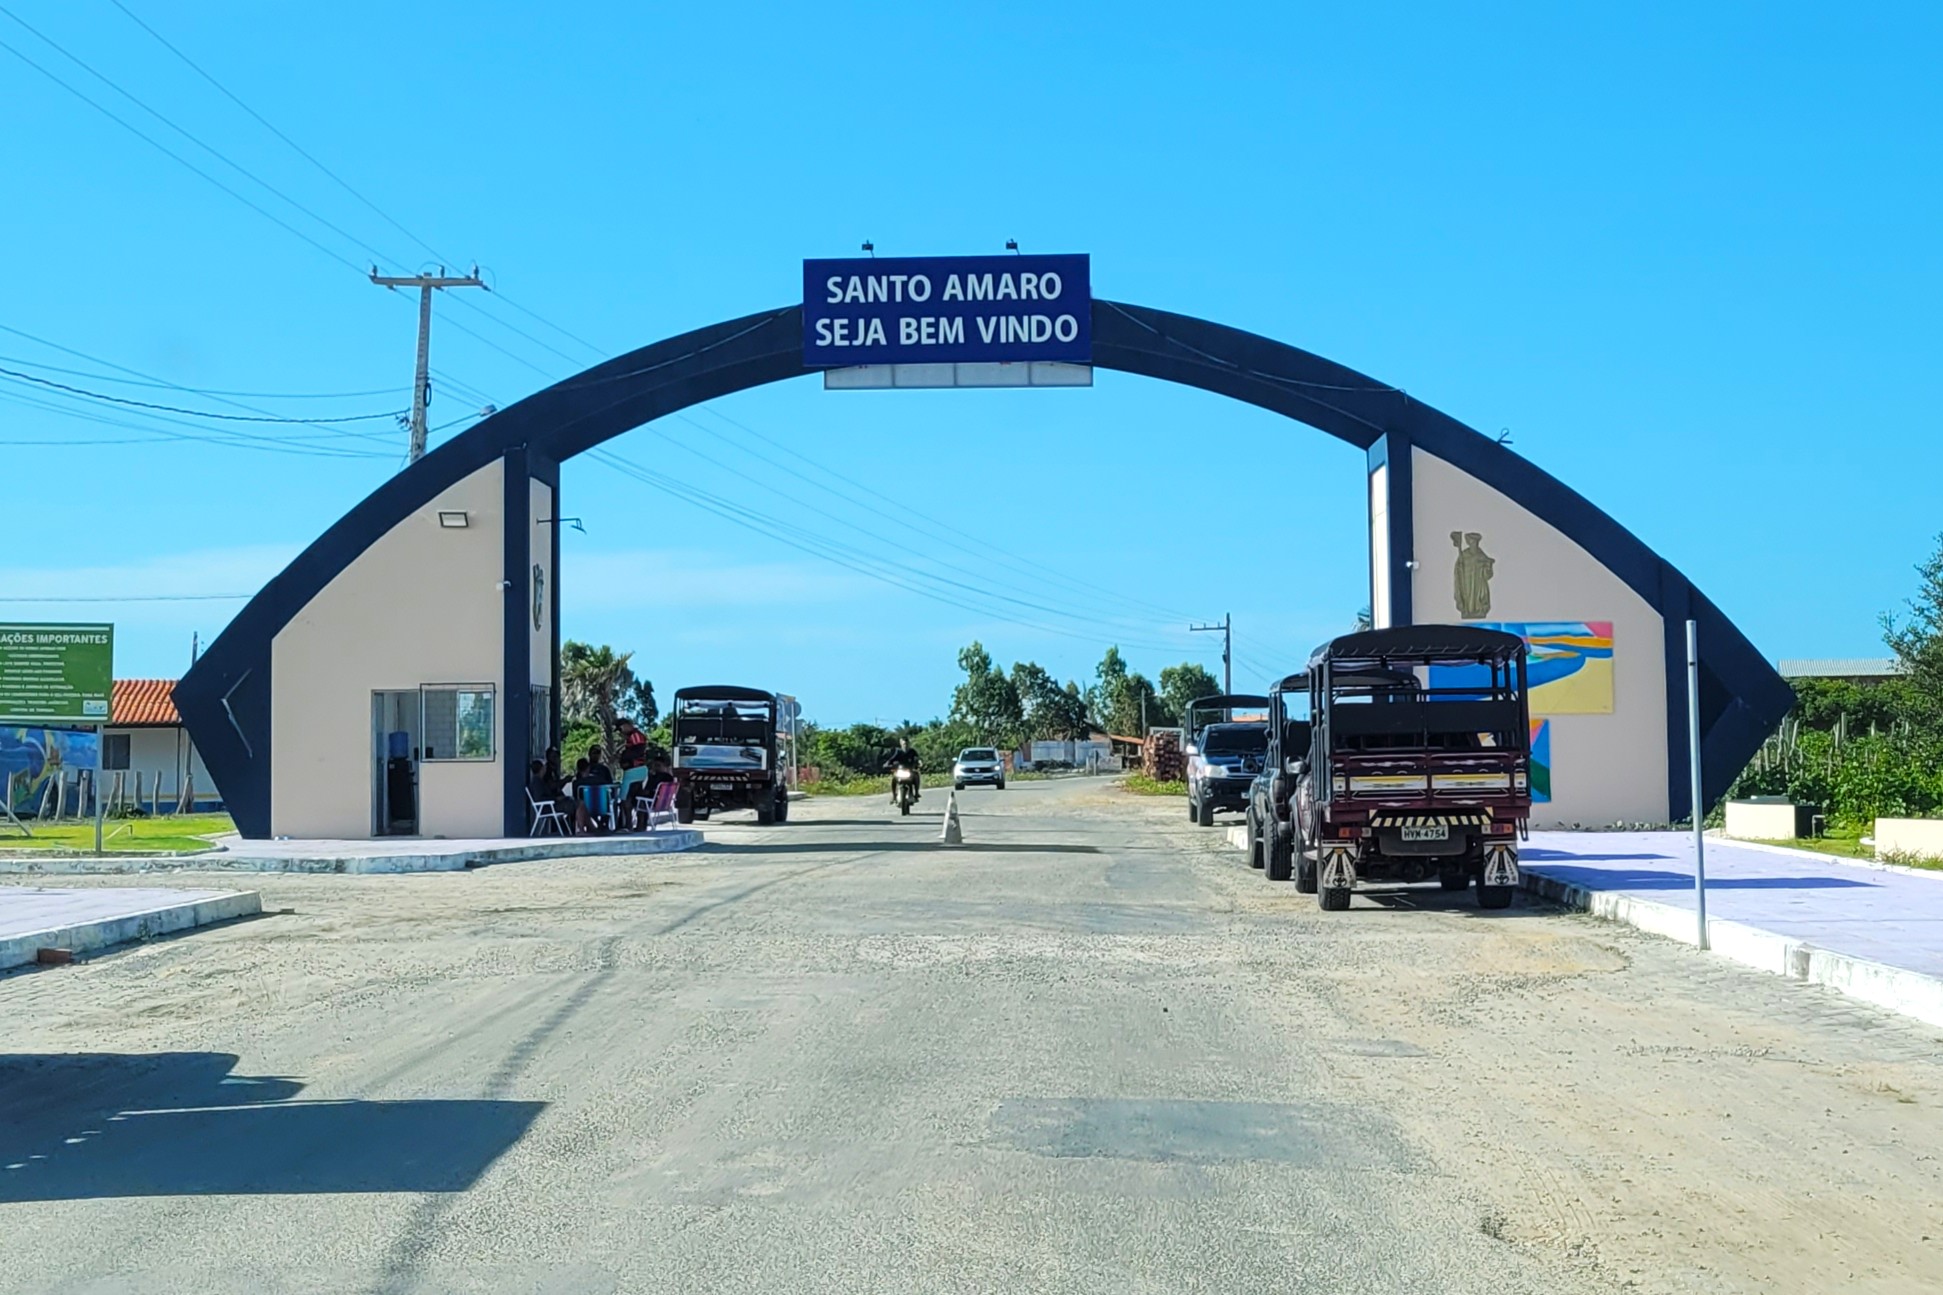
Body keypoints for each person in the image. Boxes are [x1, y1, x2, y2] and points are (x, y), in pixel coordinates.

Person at [617, 720, 650, 799]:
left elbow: (638, 750)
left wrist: (624, 756)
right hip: (637, 770)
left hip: (634, 770)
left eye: (620, 729)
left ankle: (625, 810)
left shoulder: (635, 735)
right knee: (634, 797)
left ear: (625, 725)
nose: (620, 732)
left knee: (625, 798)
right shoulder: (633, 736)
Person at [884, 738, 921, 804]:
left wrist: (919, 763)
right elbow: (891, 759)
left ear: (909, 743)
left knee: (916, 775)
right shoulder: (898, 751)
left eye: (907, 743)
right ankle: (894, 795)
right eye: (904, 744)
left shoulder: (912, 751)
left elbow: (917, 758)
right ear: (901, 744)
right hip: (900, 770)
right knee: (894, 778)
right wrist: (887, 764)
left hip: (910, 770)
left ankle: (916, 793)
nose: (905, 745)